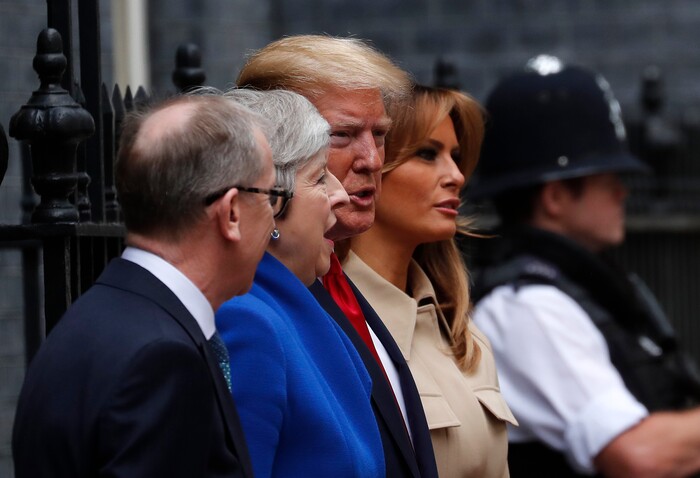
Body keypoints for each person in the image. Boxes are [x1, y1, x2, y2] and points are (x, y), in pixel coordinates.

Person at [12, 93, 278, 478]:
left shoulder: (90, 322)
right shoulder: (162, 361)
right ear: (231, 212)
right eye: (271, 196)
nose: (273, 221)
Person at [469, 55, 700, 477]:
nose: (623, 193)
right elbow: (639, 455)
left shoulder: (585, 288)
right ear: (555, 198)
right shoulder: (528, 309)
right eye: (608, 177)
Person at [237, 35, 439, 478]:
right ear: (271, 142)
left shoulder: (337, 277)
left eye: (381, 135)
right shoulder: (252, 302)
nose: (371, 160)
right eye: (341, 135)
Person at [342, 84, 517, 478]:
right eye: (427, 154)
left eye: (455, 157)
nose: (456, 176)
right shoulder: (333, 322)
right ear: (372, 164)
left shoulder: (463, 336)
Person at [215, 88, 384, 478]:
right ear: (269, 202)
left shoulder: (294, 307)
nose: (339, 196)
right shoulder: (244, 321)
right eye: (320, 177)